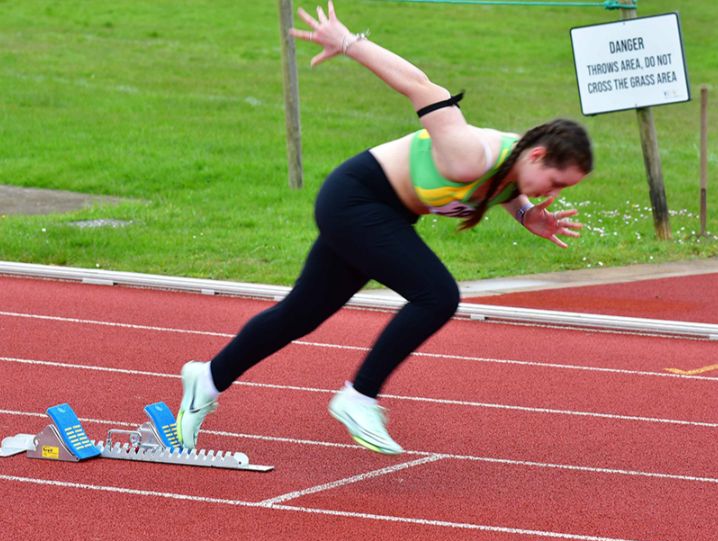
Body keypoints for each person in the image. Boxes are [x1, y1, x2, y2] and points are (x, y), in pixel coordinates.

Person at [176, 1, 593, 455]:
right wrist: (348, 43)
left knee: (300, 313)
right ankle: (359, 397)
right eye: (556, 182)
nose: (555, 192)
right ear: (537, 156)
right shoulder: (469, 154)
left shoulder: (514, 172)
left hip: (380, 214)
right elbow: (420, 85)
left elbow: (502, 189)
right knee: (438, 295)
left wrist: (527, 214)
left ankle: (207, 379)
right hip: (356, 199)